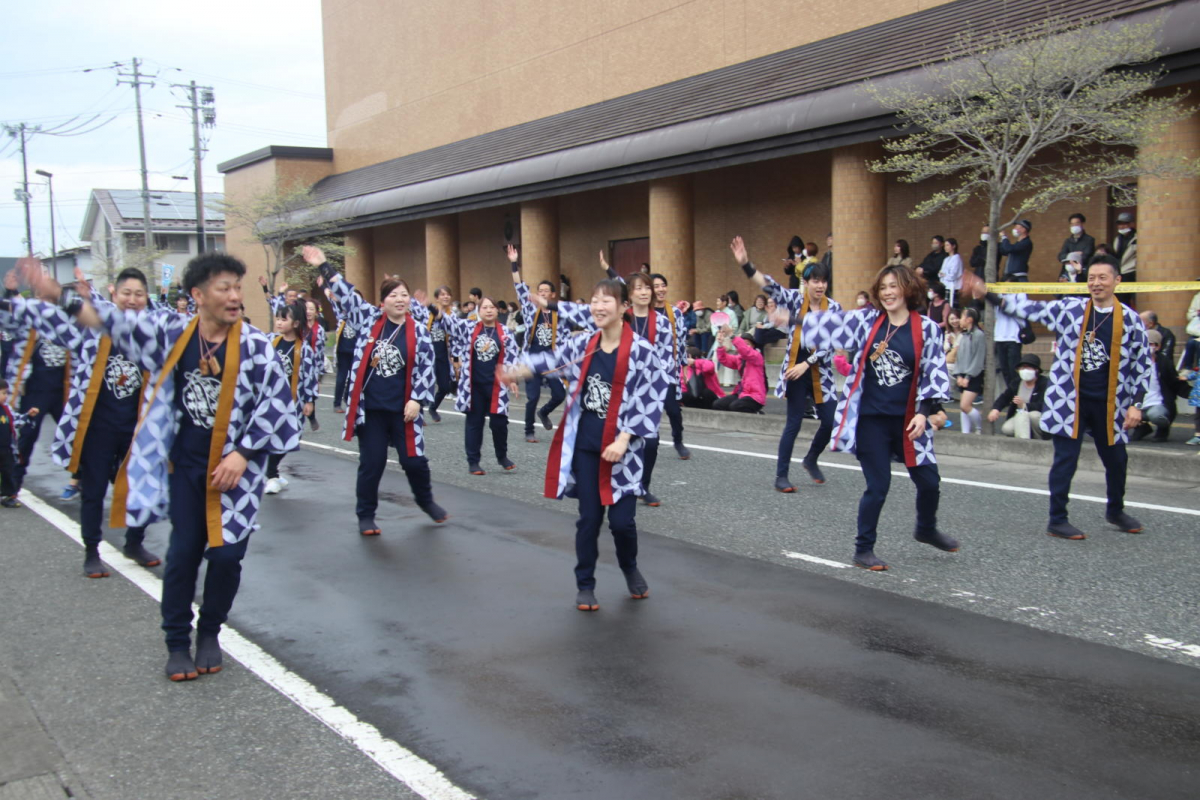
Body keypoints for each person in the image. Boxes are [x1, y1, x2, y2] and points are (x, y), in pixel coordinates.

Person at [72, 252, 302, 681]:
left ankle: (211, 630)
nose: (235, 296)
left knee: (228, 556)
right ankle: (177, 641)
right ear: (197, 295)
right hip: (186, 468)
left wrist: (243, 453)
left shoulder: (255, 346)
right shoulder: (173, 332)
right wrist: (61, 297)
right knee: (182, 555)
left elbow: (279, 409)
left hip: (236, 476)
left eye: (238, 287)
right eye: (224, 288)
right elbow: (116, 324)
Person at [505, 278, 666, 612]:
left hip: (624, 451)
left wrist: (624, 439)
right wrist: (516, 371)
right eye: (594, 300)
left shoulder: (641, 351)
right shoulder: (584, 344)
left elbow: (651, 397)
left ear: (623, 308)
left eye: (607, 300)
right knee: (589, 519)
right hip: (587, 444)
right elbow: (550, 359)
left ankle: (629, 566)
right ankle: (585, 584)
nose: (598, 306)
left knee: (622, 523)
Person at [967, 255, 1152, 540]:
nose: (1096, 283)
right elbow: (1028, 307)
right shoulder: (1072, 310)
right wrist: (988, 295)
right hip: (1070, 401)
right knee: (1066, 459)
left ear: (1118, 281)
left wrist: (1136, 405)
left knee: (1117, 459)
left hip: (1110, 404)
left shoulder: (1130, 321)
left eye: (1103, 277)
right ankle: (1057, 519)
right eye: (1091, 278)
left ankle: (1116, 510)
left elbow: (1142, 365)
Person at [3, 263, 163, 577]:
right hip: (98, 428)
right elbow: (51, 317)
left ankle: (134, 542)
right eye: (127, 293)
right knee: (92, 492)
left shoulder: (153, 332)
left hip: (137, 428)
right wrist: (18, 296)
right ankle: (92, 551)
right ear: (114, 294)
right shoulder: (92, 328)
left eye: (139, 294)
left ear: (147, 298)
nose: (132, 300)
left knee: (142, 489)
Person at [801, 259, 957, 571]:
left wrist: (925, 414)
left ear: (907, 289)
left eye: (893, 286)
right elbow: (829, 325)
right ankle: (863, 549)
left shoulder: (925, 328)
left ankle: (925, 528)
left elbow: (934, 373)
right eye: (883, 287)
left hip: (910, 420)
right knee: (878, 485)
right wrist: (789, 317)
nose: (888, 292)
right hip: (872, 419)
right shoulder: (868, 322)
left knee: (929, 482)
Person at [312, 249, 447, 534]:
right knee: (372, 464)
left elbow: (426, 368)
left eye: (404, 295)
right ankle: (366, 515)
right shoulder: (368, 319)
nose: (400, 300)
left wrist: (416, 400)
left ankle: (426, 501)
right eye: (393, 295)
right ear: (382, 301)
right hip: (371, 409)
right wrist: (324, 265)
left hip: (404, 410)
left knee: (414, 462)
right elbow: (347, 294)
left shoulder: (418, 331)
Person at [552, 269, 675, 507]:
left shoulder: (661, 321)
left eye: (647, 287)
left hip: (645, 387)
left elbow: (666, 356)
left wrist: (666, 385)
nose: (644, 292)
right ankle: (595, 490)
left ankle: (640, 485)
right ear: (627, 298)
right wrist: (549, 303)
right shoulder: (608, 321)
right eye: (638, 287)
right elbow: (584, 313)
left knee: (648, 442)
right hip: (610, 382)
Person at [735, 241, 841, 491]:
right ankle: (780, 476)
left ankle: (811, 459)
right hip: (794, 370)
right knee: (793, 423)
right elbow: (769, 286)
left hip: (818, 370)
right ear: (806, 282)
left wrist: (808, 364)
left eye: (823, 281)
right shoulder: (794, 299)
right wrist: (745, 265)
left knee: (831, 421)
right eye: (815, 281)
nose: (820, 285)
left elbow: (830, 344)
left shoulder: (833, 308)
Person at [424, 291, 517, 476]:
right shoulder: (469, 327)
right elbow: (449, 323)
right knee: (474, 423)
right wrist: (431, 307)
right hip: (473, 385)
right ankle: (473, 461)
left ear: (497, 311)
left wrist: (512, 379)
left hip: (496, 386)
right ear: (478, 310)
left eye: (492, 307)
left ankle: (502, 456)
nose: (489, 311)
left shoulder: (505, 333)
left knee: (499, 423)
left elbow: (512, 357)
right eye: (484, 308)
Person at [3, 268, 72, 495]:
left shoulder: (67, 323)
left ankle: (79, 480)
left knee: (75, 434)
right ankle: (12, 486)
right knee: (26, 438)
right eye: (42, 298)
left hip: (63, 391)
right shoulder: (29, 323)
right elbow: (9, 313)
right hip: (35, 391)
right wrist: (10, 292)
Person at [509, 250, 569, 443]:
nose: (542, 293)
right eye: (539, 290)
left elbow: (566, 340)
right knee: (532, 397)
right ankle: (529, 430)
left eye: (546, 291)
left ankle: (544, 412)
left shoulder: (559, 313)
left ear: (552, 294)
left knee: (560, 394)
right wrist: (514, 263)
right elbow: (519, 287)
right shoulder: (529, 309)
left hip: (551, 360)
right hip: (531, 359)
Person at [264, 300, 320, 495]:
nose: (279, 323)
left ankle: (272, 472)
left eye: (283, 319)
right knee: (270, 435)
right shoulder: (270, 341)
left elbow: (309, 377)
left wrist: (310, 401)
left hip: (292, 403)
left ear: (295, 323)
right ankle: (271, 474)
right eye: (277, 319)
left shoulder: (304, 349)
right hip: (270, 401)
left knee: (292, 437)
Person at [1131, 328, 1186, 442]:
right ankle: (1141, 428)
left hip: (1157, 403)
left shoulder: (1164, 363)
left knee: (1157, 416)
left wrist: (1191, 392)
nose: (1148, 347)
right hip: (1136, 403)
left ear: (1158, 346)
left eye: (1151, 344)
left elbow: (1174, 382)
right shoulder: (1132, 362)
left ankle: (1163, 429)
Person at [987, 353, 1050, 439]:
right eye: (1022, 367)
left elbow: (1044, 404)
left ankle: (1032, 441)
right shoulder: (1017, 383)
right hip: (1020, 414)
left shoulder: (1044, 383)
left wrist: (1025, 406)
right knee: (1007, 428)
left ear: (1036, 370)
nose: (1025, 370)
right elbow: (1005, 397)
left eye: (1028, 367)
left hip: (1037, 416)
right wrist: (996, 409)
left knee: (1031, 415)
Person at [0, 378, 37, 507]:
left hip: (6, 449)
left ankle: (8, 496)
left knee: (8, 471)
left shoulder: (6, 409)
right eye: (3, 393)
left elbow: (16, 421)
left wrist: (28, 415)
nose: (5, 396)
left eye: (6, 393)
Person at [712, 326, 766, 413]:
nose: (745, 346)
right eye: (743, 343)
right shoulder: (739, 359)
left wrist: (731, 335)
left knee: (736, 406)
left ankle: (756, 413)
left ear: (753, 346)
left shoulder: (757, 356)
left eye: (747, 344)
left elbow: (745, 351)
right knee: (718, 404)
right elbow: (724, 360)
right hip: (742, 393)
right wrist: (720, 344)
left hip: (755, 396)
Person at [951, 308, 986, 434]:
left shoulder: (979, 335)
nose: (960, 320)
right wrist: (959, 375)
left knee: (965, 406)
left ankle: (979, 427)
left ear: (969, 319)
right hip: (962, 374)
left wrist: (968, 377)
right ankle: (965, 432)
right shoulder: (964, 335)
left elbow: (978, 358)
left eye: (962, 317)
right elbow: (959, 357)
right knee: (963, 407)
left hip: (973, 375)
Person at [426, 286, 457, 422]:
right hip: (427, 353)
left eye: (448, 294)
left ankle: (433, 407)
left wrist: (455, 357)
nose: (446, 297)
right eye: (442, 294)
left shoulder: (452, 315)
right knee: (423, 384)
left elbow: (455, 336)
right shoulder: (427, 313)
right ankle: (418, 413)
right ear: (437, 298)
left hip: (443, 354)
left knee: (444, 386)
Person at [329, 285, 359, 414]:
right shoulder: (342, 315)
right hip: (342, 351)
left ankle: (348, 399)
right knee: (341, 377)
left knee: (354, 377)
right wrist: (330, 293)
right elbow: (335, 303)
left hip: (356, 352)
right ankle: (337, 403)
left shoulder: (361, 318)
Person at [1057, 213, 1096, 280]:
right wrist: (1073, 254)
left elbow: (1086, 255)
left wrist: (1070, 257)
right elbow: (1060, 256)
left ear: (1082, 224)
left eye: (1077, 223)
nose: (1074, 226)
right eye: (1072, 224)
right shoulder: (1068, 241)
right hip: (1067, 272)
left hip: (1082, 272)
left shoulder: (1089, 240)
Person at [1113, 212, 1137, 284]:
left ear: (1132, 224)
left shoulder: (1136, 238)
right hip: (1118, 272)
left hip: (1131, 272)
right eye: (1119, 224)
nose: (1121, 226)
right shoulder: (1117, 239)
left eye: (1124, 224)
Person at [939, 238, 963, 306]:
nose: (945, 247)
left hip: (952, 286)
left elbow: (953, 274)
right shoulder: (946, 259)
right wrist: (942, 274)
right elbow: (941, 272)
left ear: (953, 246)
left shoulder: (956, 258)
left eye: (947, 245)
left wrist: (944, 275)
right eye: (945, 246)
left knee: (951, 305)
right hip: (945, 285)